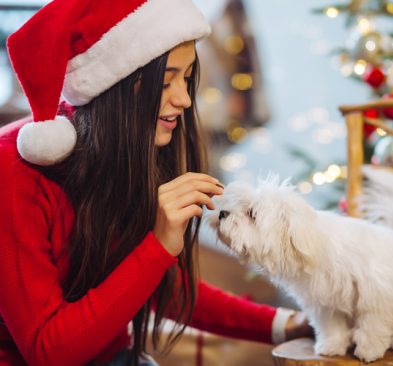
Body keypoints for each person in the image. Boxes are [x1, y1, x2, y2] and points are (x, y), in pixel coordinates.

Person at [0, 0, 313, 365]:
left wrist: (285, 324)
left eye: (187, 78)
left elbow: (156, 287)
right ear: (113, 85)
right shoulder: (13, 171)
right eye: (166, 82)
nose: (182, 99)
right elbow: (47, 351)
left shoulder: (127, 154)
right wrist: (158, 245)